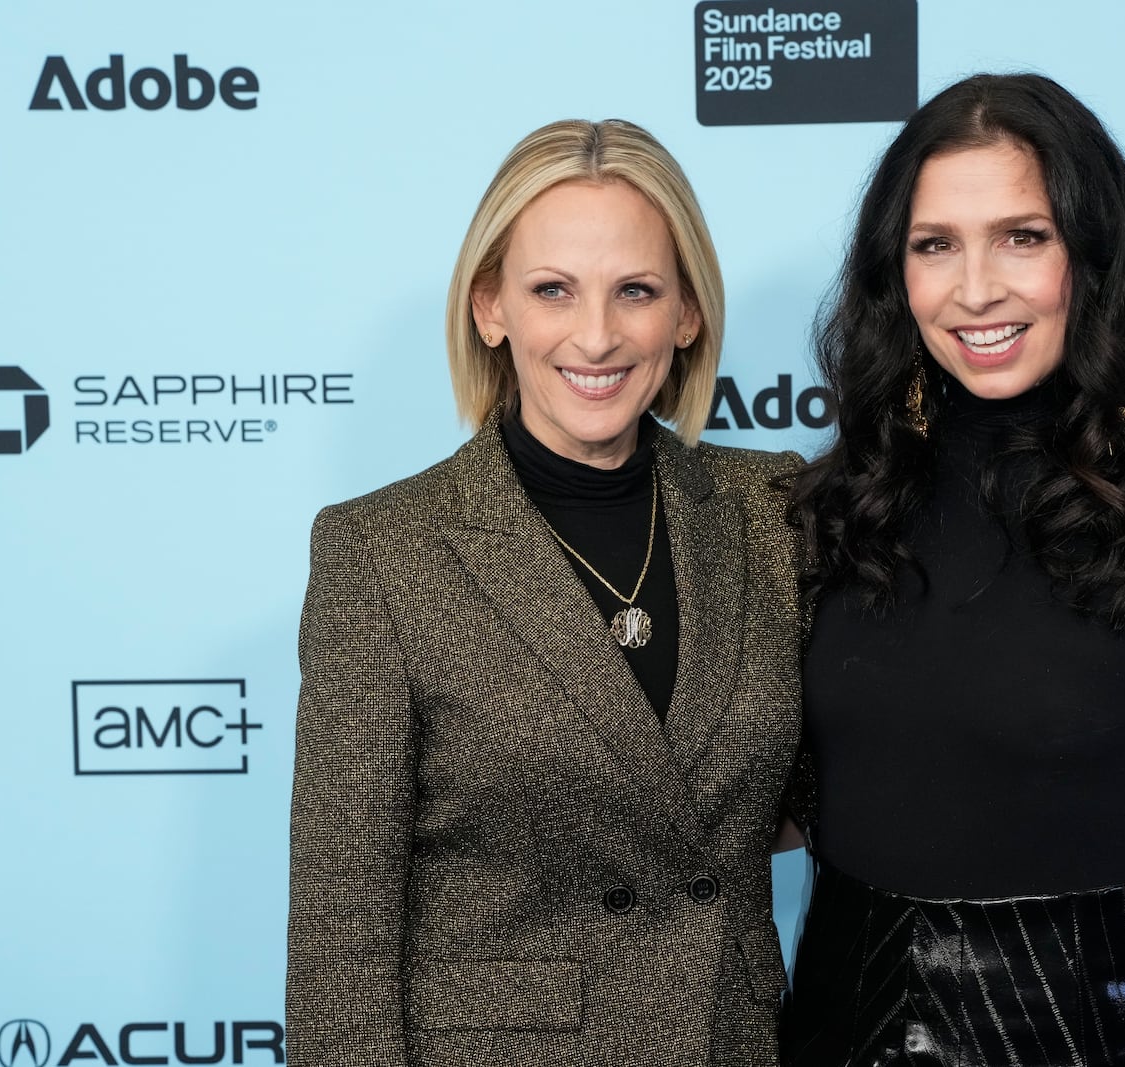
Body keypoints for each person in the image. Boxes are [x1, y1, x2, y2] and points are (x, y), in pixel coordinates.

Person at [783, 74, 1125, 1066]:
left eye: (1022, 236)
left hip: (1099, 1031)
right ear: (892, 273)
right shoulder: (834, 511)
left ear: (1092, 250)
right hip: (838, 1026)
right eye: (934, 244)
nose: (976, 286)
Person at [284, 119, 803, 1067]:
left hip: (730, 1040)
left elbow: (867, 776)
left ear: (686, 313)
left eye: (635, 291)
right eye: (552, 290)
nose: (596, 335)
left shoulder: (770, 509)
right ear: (491, 307)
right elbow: (340, 938)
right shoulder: (381, 550)